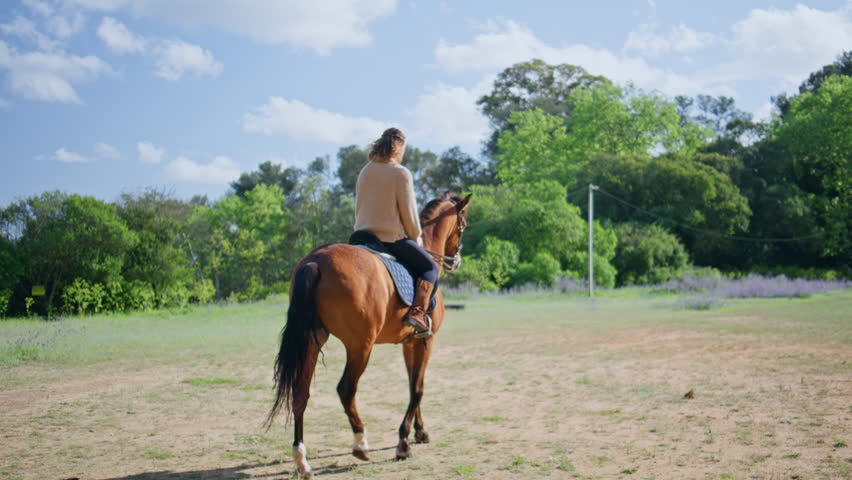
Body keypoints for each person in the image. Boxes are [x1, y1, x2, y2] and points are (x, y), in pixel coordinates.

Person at [354, 127, 438, 338]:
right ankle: (418, 314)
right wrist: (415, 235)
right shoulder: (400, 173)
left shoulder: (365, 170)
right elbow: (409, 214)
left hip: (360, 237)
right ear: (399, 147)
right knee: (430, 266)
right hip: (389, 239)